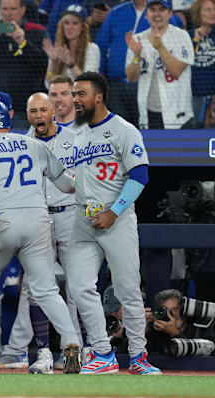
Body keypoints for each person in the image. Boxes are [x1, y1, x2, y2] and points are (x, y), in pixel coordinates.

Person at [0, 100, 82, 374]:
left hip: (1, 220)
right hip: (38, 219)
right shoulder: (34, 144)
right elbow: (68, 185)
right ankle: (72, 341)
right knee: (46, 289)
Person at [64, 71, 161, 375]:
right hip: (83, 220)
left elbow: (140, 175)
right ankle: (103, 354)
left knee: (128, 290)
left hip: (116, 219)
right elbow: (74, 179)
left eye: (81, 94)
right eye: (74, 94)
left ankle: (138, 357)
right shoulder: (75, 133)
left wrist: (115, 211)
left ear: (98, 97)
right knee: (79, 287)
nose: (75, 99)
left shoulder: (124, 130)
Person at [95, 0, 183, 126]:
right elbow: (101, 48)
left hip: (148, 88)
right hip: (115, 87)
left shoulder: (163, 15)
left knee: (147, 132)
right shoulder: (116, 13)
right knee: (119, 133)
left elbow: (175, 51)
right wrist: (100, 83)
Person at [0, 0, 48, 129]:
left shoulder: (36, 31)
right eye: (5, 9)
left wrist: (23, 43)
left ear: (22, 9)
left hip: (24, 109)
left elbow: (42, 65)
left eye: (13, 9)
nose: (8, 13)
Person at [125, 0, 194, 129]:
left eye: (162, 9)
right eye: (153, 9)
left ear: (170, 13)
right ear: (146, 14)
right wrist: (137, 56)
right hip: (149, 114)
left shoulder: (181, 36)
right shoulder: (138, 39)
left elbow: (176, 71)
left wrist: (160, 46)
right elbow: (131, 77)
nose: (157, 14)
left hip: (178, 115)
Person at [43, 4, 100, 86]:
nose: (70, 27)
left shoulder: (92, 49)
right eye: (66, 23)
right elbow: (48, 84)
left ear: (83, 27)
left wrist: (71, 65)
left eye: (75, 23)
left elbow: (90, 83)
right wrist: (54, 62)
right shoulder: (58, 49)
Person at [190, 0, 215, 126]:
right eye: (208, 10)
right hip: (194, 97)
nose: (212, 13)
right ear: (198, 13)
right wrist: (195, 41)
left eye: (214, 9)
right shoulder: (187, 36)